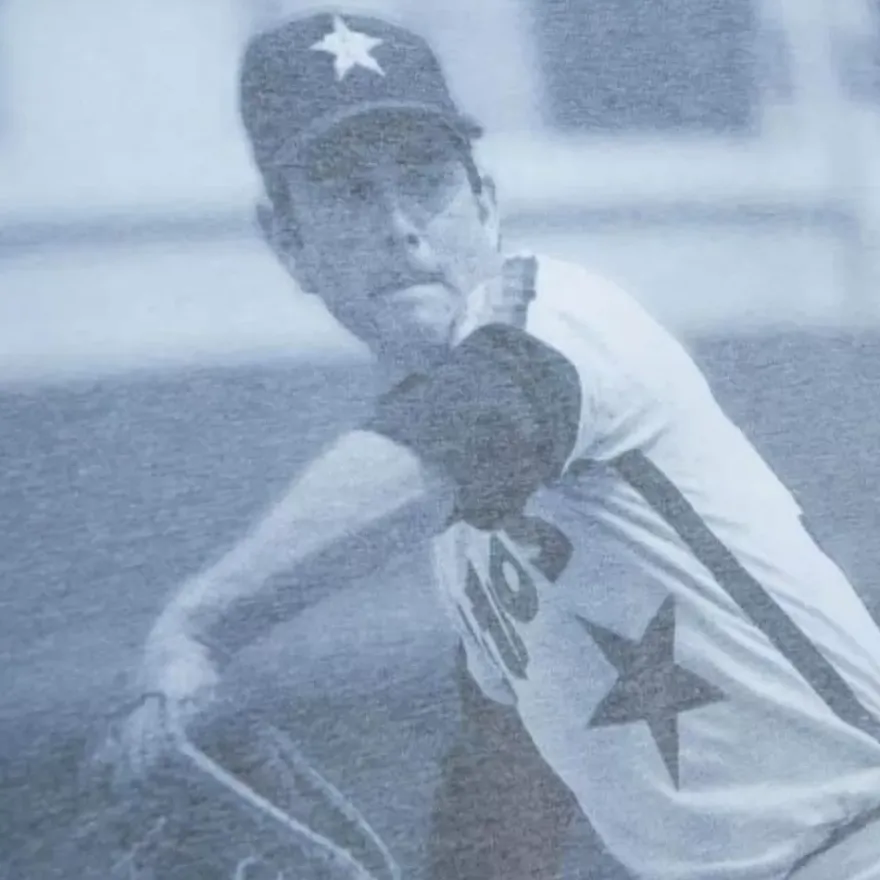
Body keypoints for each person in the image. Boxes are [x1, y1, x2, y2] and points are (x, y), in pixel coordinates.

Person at [106, 9, 880, 880]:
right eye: (349, 192)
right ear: (288, 241)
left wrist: (202, 622)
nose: (400, 223)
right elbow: (507, 787)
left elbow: (469, 418)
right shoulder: (455, 537)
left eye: (426, 179)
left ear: (486, 203)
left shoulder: (559, 319)